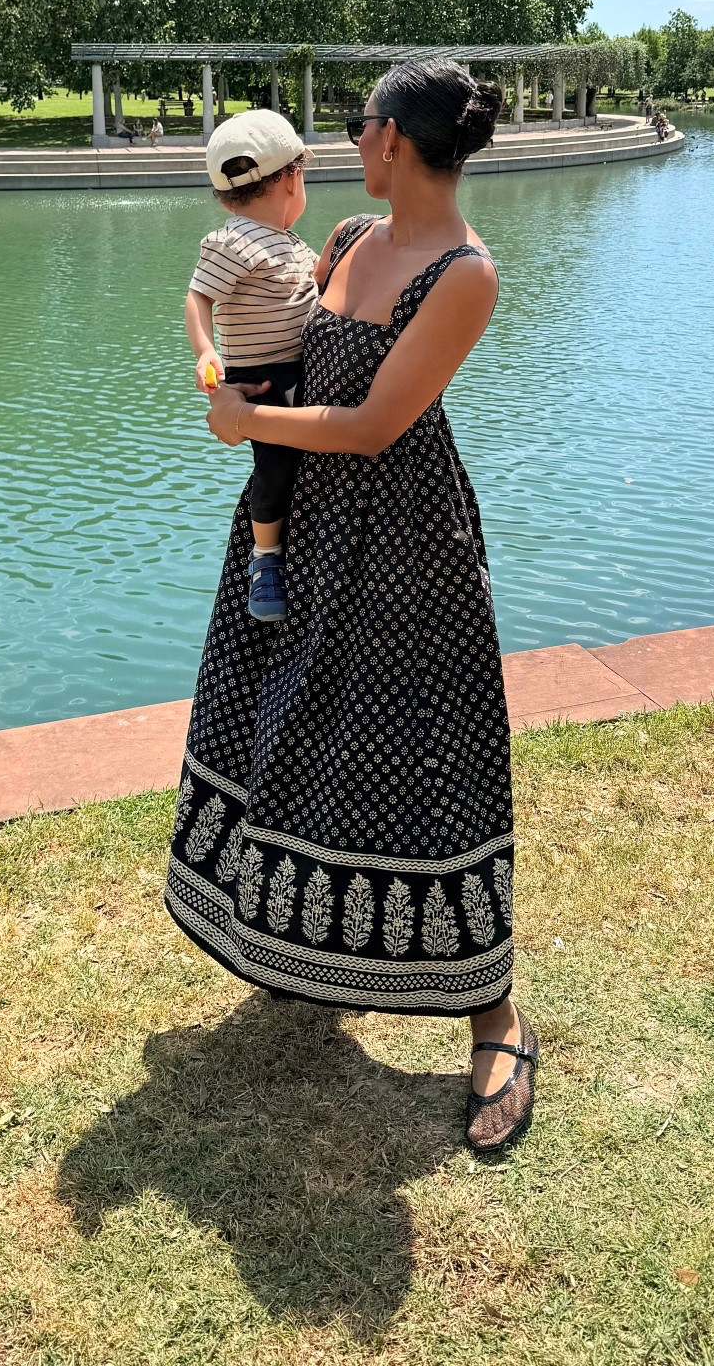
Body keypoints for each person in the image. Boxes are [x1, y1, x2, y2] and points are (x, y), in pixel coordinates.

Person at [166, 58, 537, 1154]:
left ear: (394, 139)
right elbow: (282, 353)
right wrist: (226, 374)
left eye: (358, 122)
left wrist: (247, 427)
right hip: (308, 535)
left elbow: (375, 422)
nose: (346, 141)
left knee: (426, 755)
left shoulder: (463, 272)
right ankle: (293, 943)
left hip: (405, 546)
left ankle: (496, 1013)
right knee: (290, 730)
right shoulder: (348, 245)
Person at [184, 110, 317, 621]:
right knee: (276, 467)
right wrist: (206, 351)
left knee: (299, 461)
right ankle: (266, 559)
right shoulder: (234, 240)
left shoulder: (289, 243)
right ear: (291, 179)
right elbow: (197, 299)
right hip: (262, 378)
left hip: (299, 370)